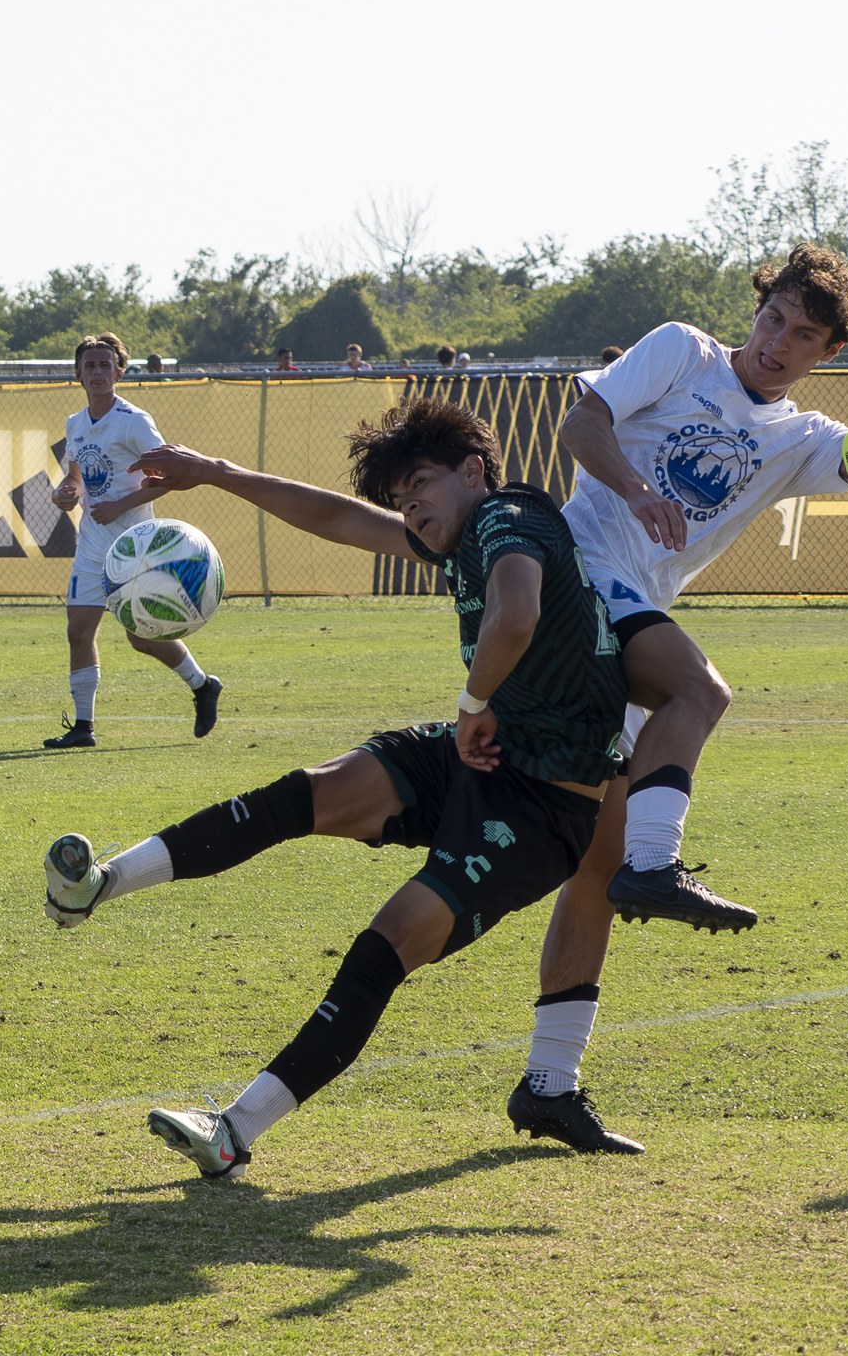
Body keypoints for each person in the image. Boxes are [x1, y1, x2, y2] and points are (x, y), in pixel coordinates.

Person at [42, 396, 637, 1177]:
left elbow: (517, 613)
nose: (410, 508)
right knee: (298, 796)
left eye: (420, 485)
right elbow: (338, 519)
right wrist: (217, 474)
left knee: (381, 950)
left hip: (543, 805)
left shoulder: (508, 516)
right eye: (400, 498)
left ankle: (234, 1131)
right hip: (480, 752)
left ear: (473, 469)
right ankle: (99, 885)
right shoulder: (460, 537)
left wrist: (470, 706)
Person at [548, 248, 848, 951]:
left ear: (831, 352)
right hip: (575, 571)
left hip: (632, 622)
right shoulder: (683, 351)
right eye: (774, 319)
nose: (778, 343)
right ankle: (656, 867)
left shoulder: (803, 440)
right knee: (700, 692)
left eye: (804, 336)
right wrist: (637, 489)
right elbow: (581, 424)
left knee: (595, 866)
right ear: (757, 309)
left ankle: (551, 1065)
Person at [42, 333, 223, 749]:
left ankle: (201, 685)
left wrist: (121, 504)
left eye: (106, 365)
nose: (98, 372)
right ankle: (84, 728)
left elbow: (173, 477)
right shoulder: (75, 423)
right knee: (78, 630)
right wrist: (63, 494)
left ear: (120, 371)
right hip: (91, 545)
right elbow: (75, 478)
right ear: (78, 374)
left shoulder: (134, 421)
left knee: (141, 637)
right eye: (90, 366)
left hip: (135, 548)